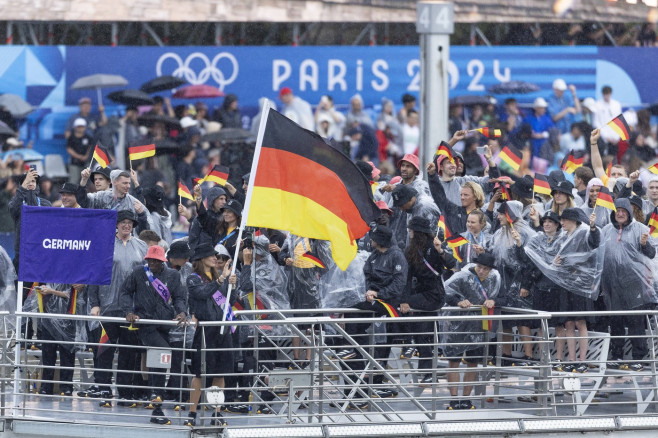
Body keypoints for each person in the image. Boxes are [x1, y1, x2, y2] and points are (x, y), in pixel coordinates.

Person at [78, 210, 148, 405]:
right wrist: (95, 304)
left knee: (128, 351)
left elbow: (146, 277)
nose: (126, 225)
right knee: (104, 351)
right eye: (123, 222)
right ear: (116, 224)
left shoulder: (141, 246)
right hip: (108, 308)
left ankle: (125, 393)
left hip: (130, 310)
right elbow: (94, 276)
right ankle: (103, 390)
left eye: (130, 222)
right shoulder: (104, 245)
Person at [120, 245, 187, 425]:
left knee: (159, 356)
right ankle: (157, 392)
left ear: (163, 261)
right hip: (145, 323)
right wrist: (128, 311)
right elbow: (125, 292)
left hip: (164, 324)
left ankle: (156, 396)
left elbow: (180, 297)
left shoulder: (173, 275)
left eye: (156, 261)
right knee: (163, 351)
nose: (152, 264)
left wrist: (181, 312)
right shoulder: (138, 273)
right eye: (150, 260)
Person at [601, 198, 657, 371]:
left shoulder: (640, 229)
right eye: (617, 210)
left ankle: (639, 357)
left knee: (635, 321)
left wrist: (645, 244)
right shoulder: (606, 230)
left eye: (623, 210)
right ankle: (616, 355)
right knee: (616, 320)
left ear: (629, 212)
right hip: (612, 283)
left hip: (634, 283)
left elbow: (652, 253)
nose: (620, 213)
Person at [184, 243, 236, 427]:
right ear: (201, 259)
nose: (216, 258)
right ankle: (192, 413)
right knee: (199, 373)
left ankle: (217, 412)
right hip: (205, 330)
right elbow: (202, 293)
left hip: (221, 329)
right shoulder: (193, 278)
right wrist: (222, 279)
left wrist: (232, 285)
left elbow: (231, 300)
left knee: (220, 373)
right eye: (211, 255)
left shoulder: (217, 277)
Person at [441, 252, 499, 410]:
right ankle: (454, 398)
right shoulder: (463, 276)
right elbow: (446, 292)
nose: (481, 271)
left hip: (478, 325)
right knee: (454, 361)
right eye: (479, 267)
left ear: (490, 270)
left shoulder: (495, 278)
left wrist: (493, 300)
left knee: (473, 362)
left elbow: (502, 297)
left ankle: (466, 398)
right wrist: (459, 301)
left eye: (485, 269)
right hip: (456, 323)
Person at [398, 217, 451, 384]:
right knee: (422, 334)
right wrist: (405, 299)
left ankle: (407, 343)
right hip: (420, 293)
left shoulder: (434, 246)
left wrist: (440, 250)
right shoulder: (410, 250)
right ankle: (427, 372)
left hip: (435, 295)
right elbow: (407, 278)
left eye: (411, 229)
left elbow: (451, 263)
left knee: (421, 330)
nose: (409, 232)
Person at [487, 201, 537, 364]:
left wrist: (526, 285)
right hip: (504, 282)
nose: (498, 216)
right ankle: (507, 355)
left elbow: (531, 261)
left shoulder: (525, 232)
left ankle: (528, 355)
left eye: (502, 213)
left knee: (522, 319)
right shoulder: (499, 233)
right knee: (506, 319)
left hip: (521, 281)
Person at [24, 282, 86, 396]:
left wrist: (51, 291)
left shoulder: (72, 272)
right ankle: (46, 386)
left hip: (67, 317)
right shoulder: (49, 271)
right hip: (48, 316)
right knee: (48, 353)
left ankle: (66, 386)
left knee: (67, 353)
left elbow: (70, 295)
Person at [279, 234, 331, 365]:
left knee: (310, 323)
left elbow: (325, 262)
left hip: (311, 282)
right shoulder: (291, 237)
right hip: (294, 283)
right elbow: (281, 254)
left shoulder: (316, 237)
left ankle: (308, 358)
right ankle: (296, 358)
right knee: (295, 322)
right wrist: (286, 259)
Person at [434, 133, 498, 206]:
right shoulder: (441, 181)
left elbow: (492, 181)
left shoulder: (467, 180)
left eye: (461, 161)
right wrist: (454, 140)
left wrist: (490, 160)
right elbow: (437, 160)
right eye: (453, 162)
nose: (459, 164)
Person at [9, 168, 52, 271]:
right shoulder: (16, 203)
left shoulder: (46, 204)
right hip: (21, 254)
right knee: (20, 287)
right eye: (27, 181)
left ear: (37, 185)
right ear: (21, 185)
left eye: (33, 181)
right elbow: (13, 209)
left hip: (41, 253)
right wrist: (24, 189)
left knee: (39, 287)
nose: (30, 183)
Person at [391, 184, 440, 248]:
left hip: (432, 247)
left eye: (402, 205)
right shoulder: (410, 207)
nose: (401, 208)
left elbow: (435, 233)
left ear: (411, 199)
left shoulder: (424, 207)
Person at [523, 97, 555, 163]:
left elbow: (553, 131)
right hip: (531, 144)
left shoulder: (547, 119)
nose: (543, 110)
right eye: (541, 108)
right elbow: (523, 131)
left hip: (544, 145)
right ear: (536, 108)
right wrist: (530, 134)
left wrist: (542, 135)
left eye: (544, 108)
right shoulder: (528, 119)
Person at [594, 86, 623, 154]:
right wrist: (605, 136)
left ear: (611, 94)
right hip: (603, 135)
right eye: (605, 94)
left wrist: (617, 137)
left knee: (614, 156)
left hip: (615, 136)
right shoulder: (597, 105)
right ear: (603, 94)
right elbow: (596, 122)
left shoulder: (616, 104)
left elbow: (619, 121)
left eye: (608, 94)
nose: (607, 96)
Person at [66, 118, 94, 183]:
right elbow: (69, 149)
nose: (80, 128)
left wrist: (86, 156)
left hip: (85, 163)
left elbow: (90, 147)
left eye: (82, 127)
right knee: (73, 180)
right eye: (79, 127)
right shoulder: (71, 137)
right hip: (74, 163)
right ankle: (73, 193)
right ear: (75, 127)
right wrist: (79, 156)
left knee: (85, 180)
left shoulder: (88, 137)